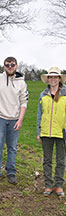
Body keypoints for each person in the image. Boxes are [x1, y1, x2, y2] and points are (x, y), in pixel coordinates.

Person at [0, 56, 28, 185]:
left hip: (14, 119)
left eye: (12, 65)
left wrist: (20, 120)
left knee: (12, 148)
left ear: (16, 66)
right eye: (7, 65)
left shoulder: (22, 82)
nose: (10, 67)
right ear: (4, 66)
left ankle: (11, 172)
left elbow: (24, 102)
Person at [37, 67, 66, 197]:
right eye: (50, 77)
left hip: (61, 132)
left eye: (55, 77)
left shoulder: (65, 93)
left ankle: (59, 185)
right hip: (46, 133)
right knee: (47, 160)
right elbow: (39, 114)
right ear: (47, 79)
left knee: (60, 160)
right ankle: (48, 185)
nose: (53, 79)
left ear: (59, 79)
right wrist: (39, 131)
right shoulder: (43, 95)